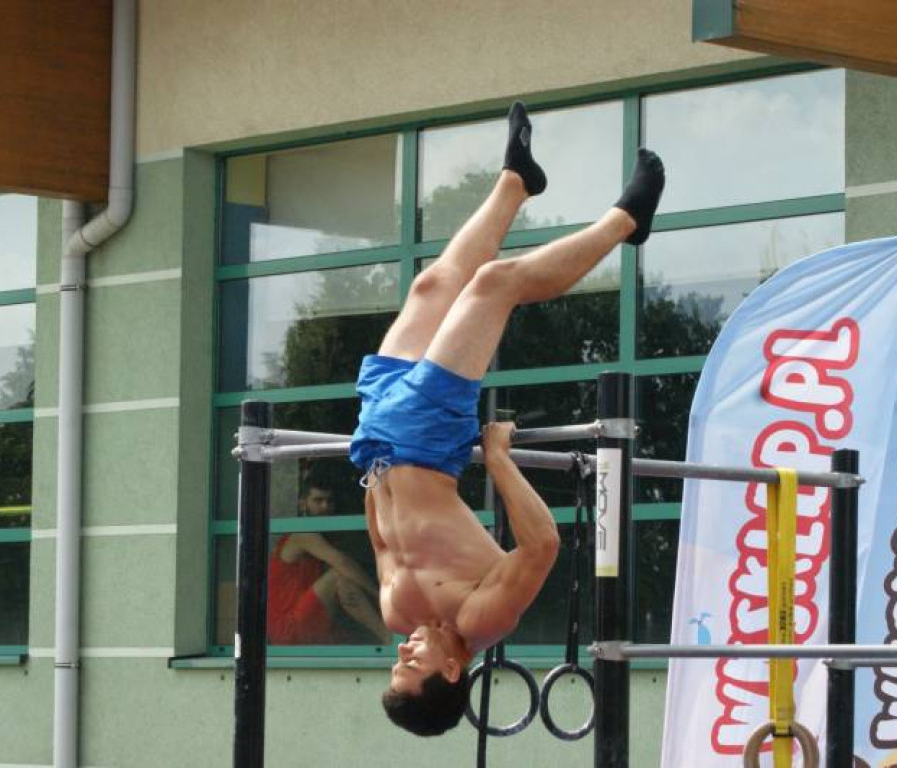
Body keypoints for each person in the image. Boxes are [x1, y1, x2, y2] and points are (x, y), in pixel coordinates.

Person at [350, 101, 665, 735]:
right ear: (449, 675)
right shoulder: (480, 620)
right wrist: (495, 457)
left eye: (397, 664)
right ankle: (624, 222)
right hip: (427, 435)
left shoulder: (395, 611)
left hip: (378, 436)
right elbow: (542, 545)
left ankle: (515, 182)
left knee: (431, 287)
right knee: (495, 284)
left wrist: (372, 470)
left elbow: (382, 532)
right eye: (410, 667)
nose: (402, 652)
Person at [267, 479, 389, 645]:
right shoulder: (302, 533)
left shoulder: (322, 538)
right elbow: (342, 563)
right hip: (287, 628)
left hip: (308, 622)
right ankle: (387, 637)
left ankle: (386, 637)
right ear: (303, 503)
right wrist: (378, 595)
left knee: (343, 581)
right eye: (318, 501)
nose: (325, 507)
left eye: (329, 501)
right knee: (339, 575)